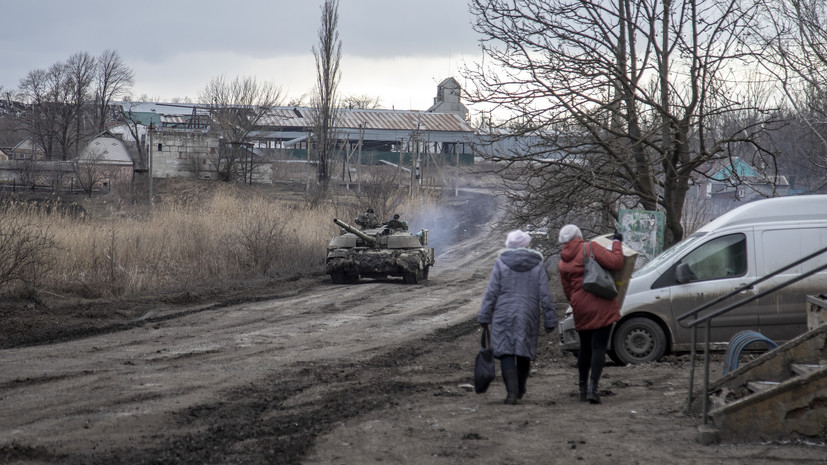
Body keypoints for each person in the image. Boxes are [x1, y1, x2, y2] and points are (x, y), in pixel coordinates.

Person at [477, 229, 558, 405]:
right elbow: (545, 293)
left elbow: (492, 292)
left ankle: (511, 394)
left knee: (506, 352)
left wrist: (484, 315)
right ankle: (520, 388)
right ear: (527, 245)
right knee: (523, 351)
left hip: (503, 313)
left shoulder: (501, 263)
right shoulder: (537, 264)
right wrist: (550, 318)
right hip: (528, 314)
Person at [557, 224, 624, 404]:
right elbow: (617, 262)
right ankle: (593, 390)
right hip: (601, 302)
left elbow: (567, 290)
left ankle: (582, 389)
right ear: (579, 235)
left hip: (580, 308)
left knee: (585, 348)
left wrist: (577, 304)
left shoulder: (563, 261)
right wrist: (617, 242)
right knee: (598, 347)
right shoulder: (590, 248)